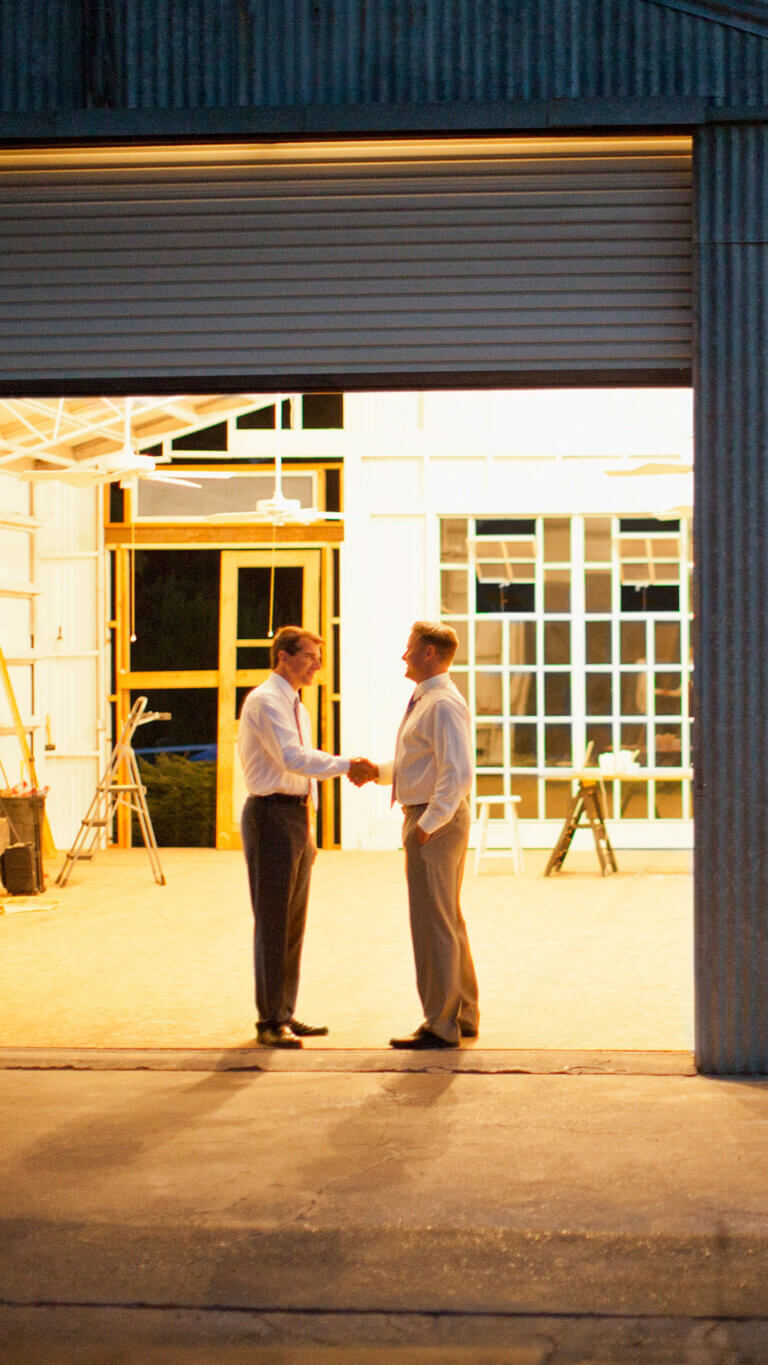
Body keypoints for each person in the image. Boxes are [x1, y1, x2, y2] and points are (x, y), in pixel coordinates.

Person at [239, 625, 375, 1048]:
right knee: (273, 920)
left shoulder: (296, 705)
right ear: (283, 657)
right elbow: (292, 758)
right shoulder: (265, 701)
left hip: (296, 815)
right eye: (310, 655)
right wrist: (348, 764)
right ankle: (269, 1021)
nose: (318, 664)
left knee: (293, 923)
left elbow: (299, 768)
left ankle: (285, 1011)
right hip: (271, 814)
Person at [351, 621, 479, 1049]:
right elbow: (422, 761)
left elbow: (456, 773)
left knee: (431, 924)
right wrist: (380, 772)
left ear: (429, 653)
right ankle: (463, 1013)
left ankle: (440, 1025)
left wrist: (426, 826)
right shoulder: (430, 700)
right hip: (432, 816)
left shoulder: (441, 703)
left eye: (409, 649)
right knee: (446, 918)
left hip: (433, 821)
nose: (403, 656)